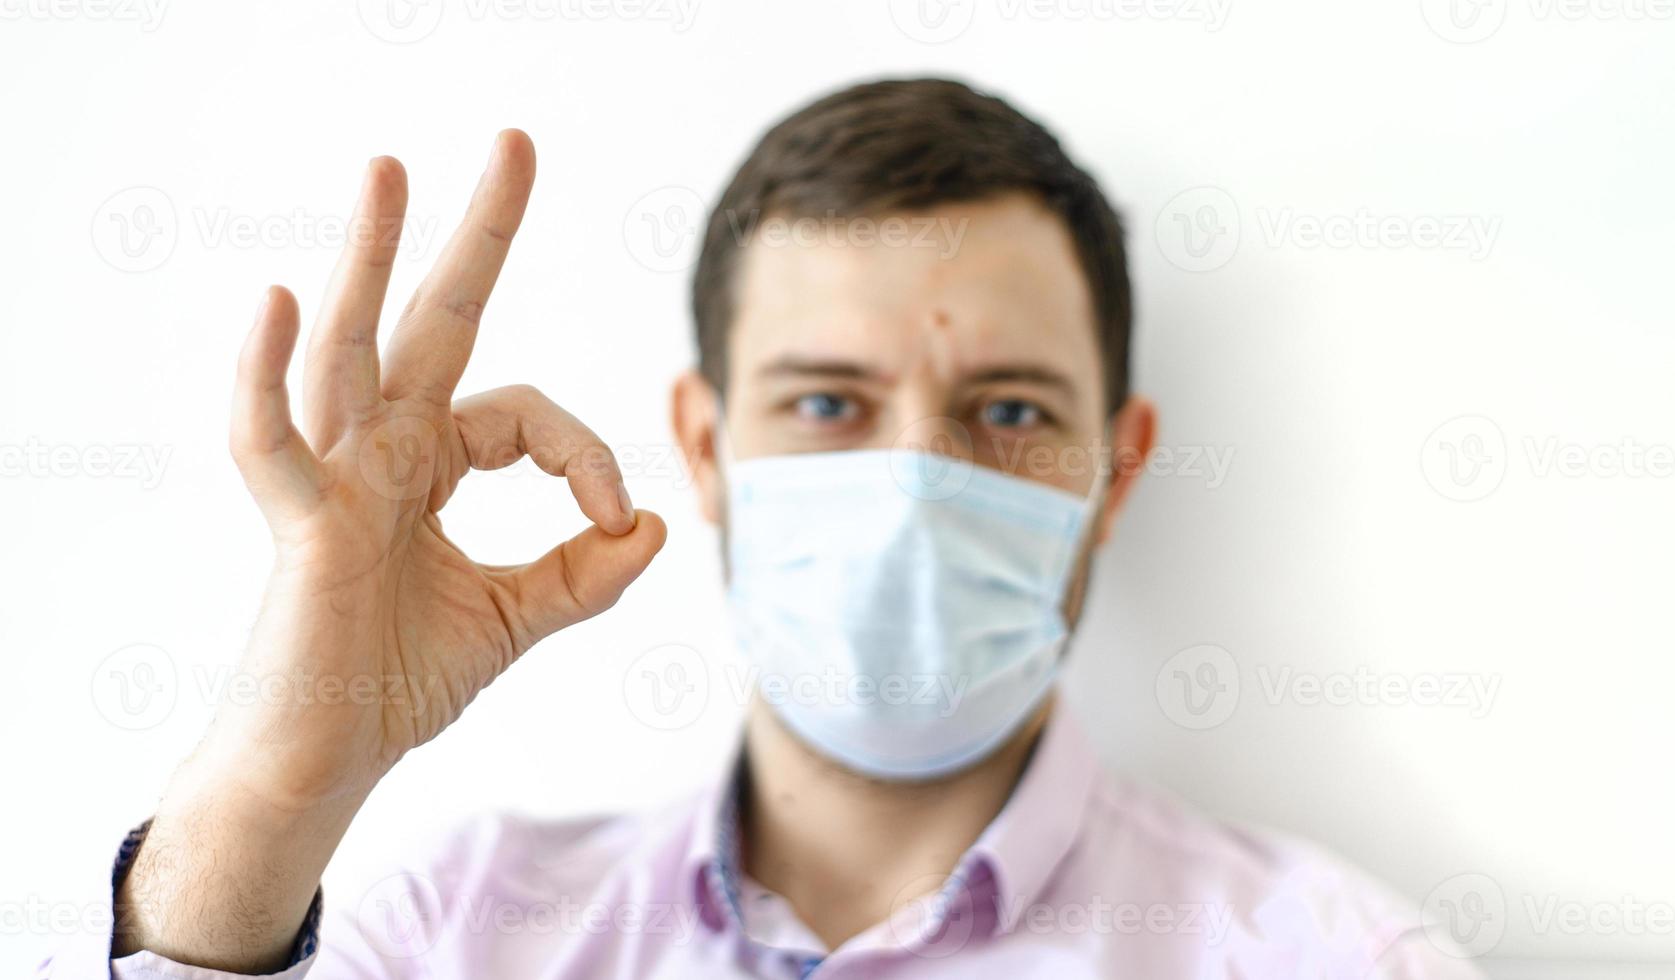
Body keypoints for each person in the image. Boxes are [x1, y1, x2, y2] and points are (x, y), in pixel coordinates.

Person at [42, 78, 1484, 978]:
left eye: (1009, 412)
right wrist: (275, 786)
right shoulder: (457, 933)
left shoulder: (1338, 958)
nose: (915, 485)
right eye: (827, 404)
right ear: (703, 446)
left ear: (1119, 466)